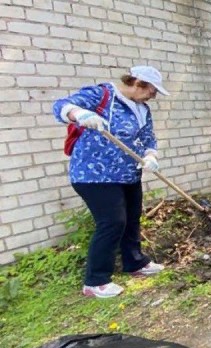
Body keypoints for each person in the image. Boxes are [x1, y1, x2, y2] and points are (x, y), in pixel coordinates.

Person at [52, 65, 169, 298]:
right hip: (94, 176)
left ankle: (135, 262)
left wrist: (150, 156)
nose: (153, 96)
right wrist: (80, 114)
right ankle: (95, 281)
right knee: (112, 222)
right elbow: (60, 106)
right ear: (138, 84)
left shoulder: (143, 109)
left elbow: (148, 138)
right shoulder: (102, 95)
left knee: (132, 219)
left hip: (128, 175)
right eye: (152, 91)